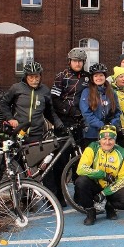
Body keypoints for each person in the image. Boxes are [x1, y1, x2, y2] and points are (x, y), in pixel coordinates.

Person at [50, 47, 90, 205]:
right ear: (70, 61)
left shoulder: (87, 78)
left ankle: (80, 195)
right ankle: (58, 196)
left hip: (81, 123)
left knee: (80, 161)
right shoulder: (61, 76)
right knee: (61, 160)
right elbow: (54, 99)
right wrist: (70, 110)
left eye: (80, 61)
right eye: (75, 61)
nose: (78, 63)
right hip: (64, 123)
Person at [75, 125, 124, 225]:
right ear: (99, 139)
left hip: (111, 188)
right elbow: (81, 169)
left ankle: (109, 206)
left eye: (111, 139)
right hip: (95, 186)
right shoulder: (92, 147)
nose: (107, 142)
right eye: (104, 139)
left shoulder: (122, 153)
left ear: (115, 140)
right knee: (81, 181)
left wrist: (104, 193)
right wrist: (103, 174)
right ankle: (91, 211)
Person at [0, 61, 63, 141]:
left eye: (37, 77)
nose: (34, 80)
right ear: (26, 77)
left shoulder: (45, 91)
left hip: (37, 134)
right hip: (18, 131)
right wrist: (10, 118)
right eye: (31, 77)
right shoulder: (16, 88)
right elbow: (4, 103)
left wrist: (59, 124)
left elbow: (49, 112)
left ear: (40, 76)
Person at [79, 63, 121, 146]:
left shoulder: (112, 92)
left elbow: (117, 111)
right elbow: (86, 113)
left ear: (105, 77)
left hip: (109, 134)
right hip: (92, 134)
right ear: (92, 78)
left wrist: (112, 124)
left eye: (101, 75)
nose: (99, 78)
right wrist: (101, 125)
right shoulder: (86, 92)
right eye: (96, 76)